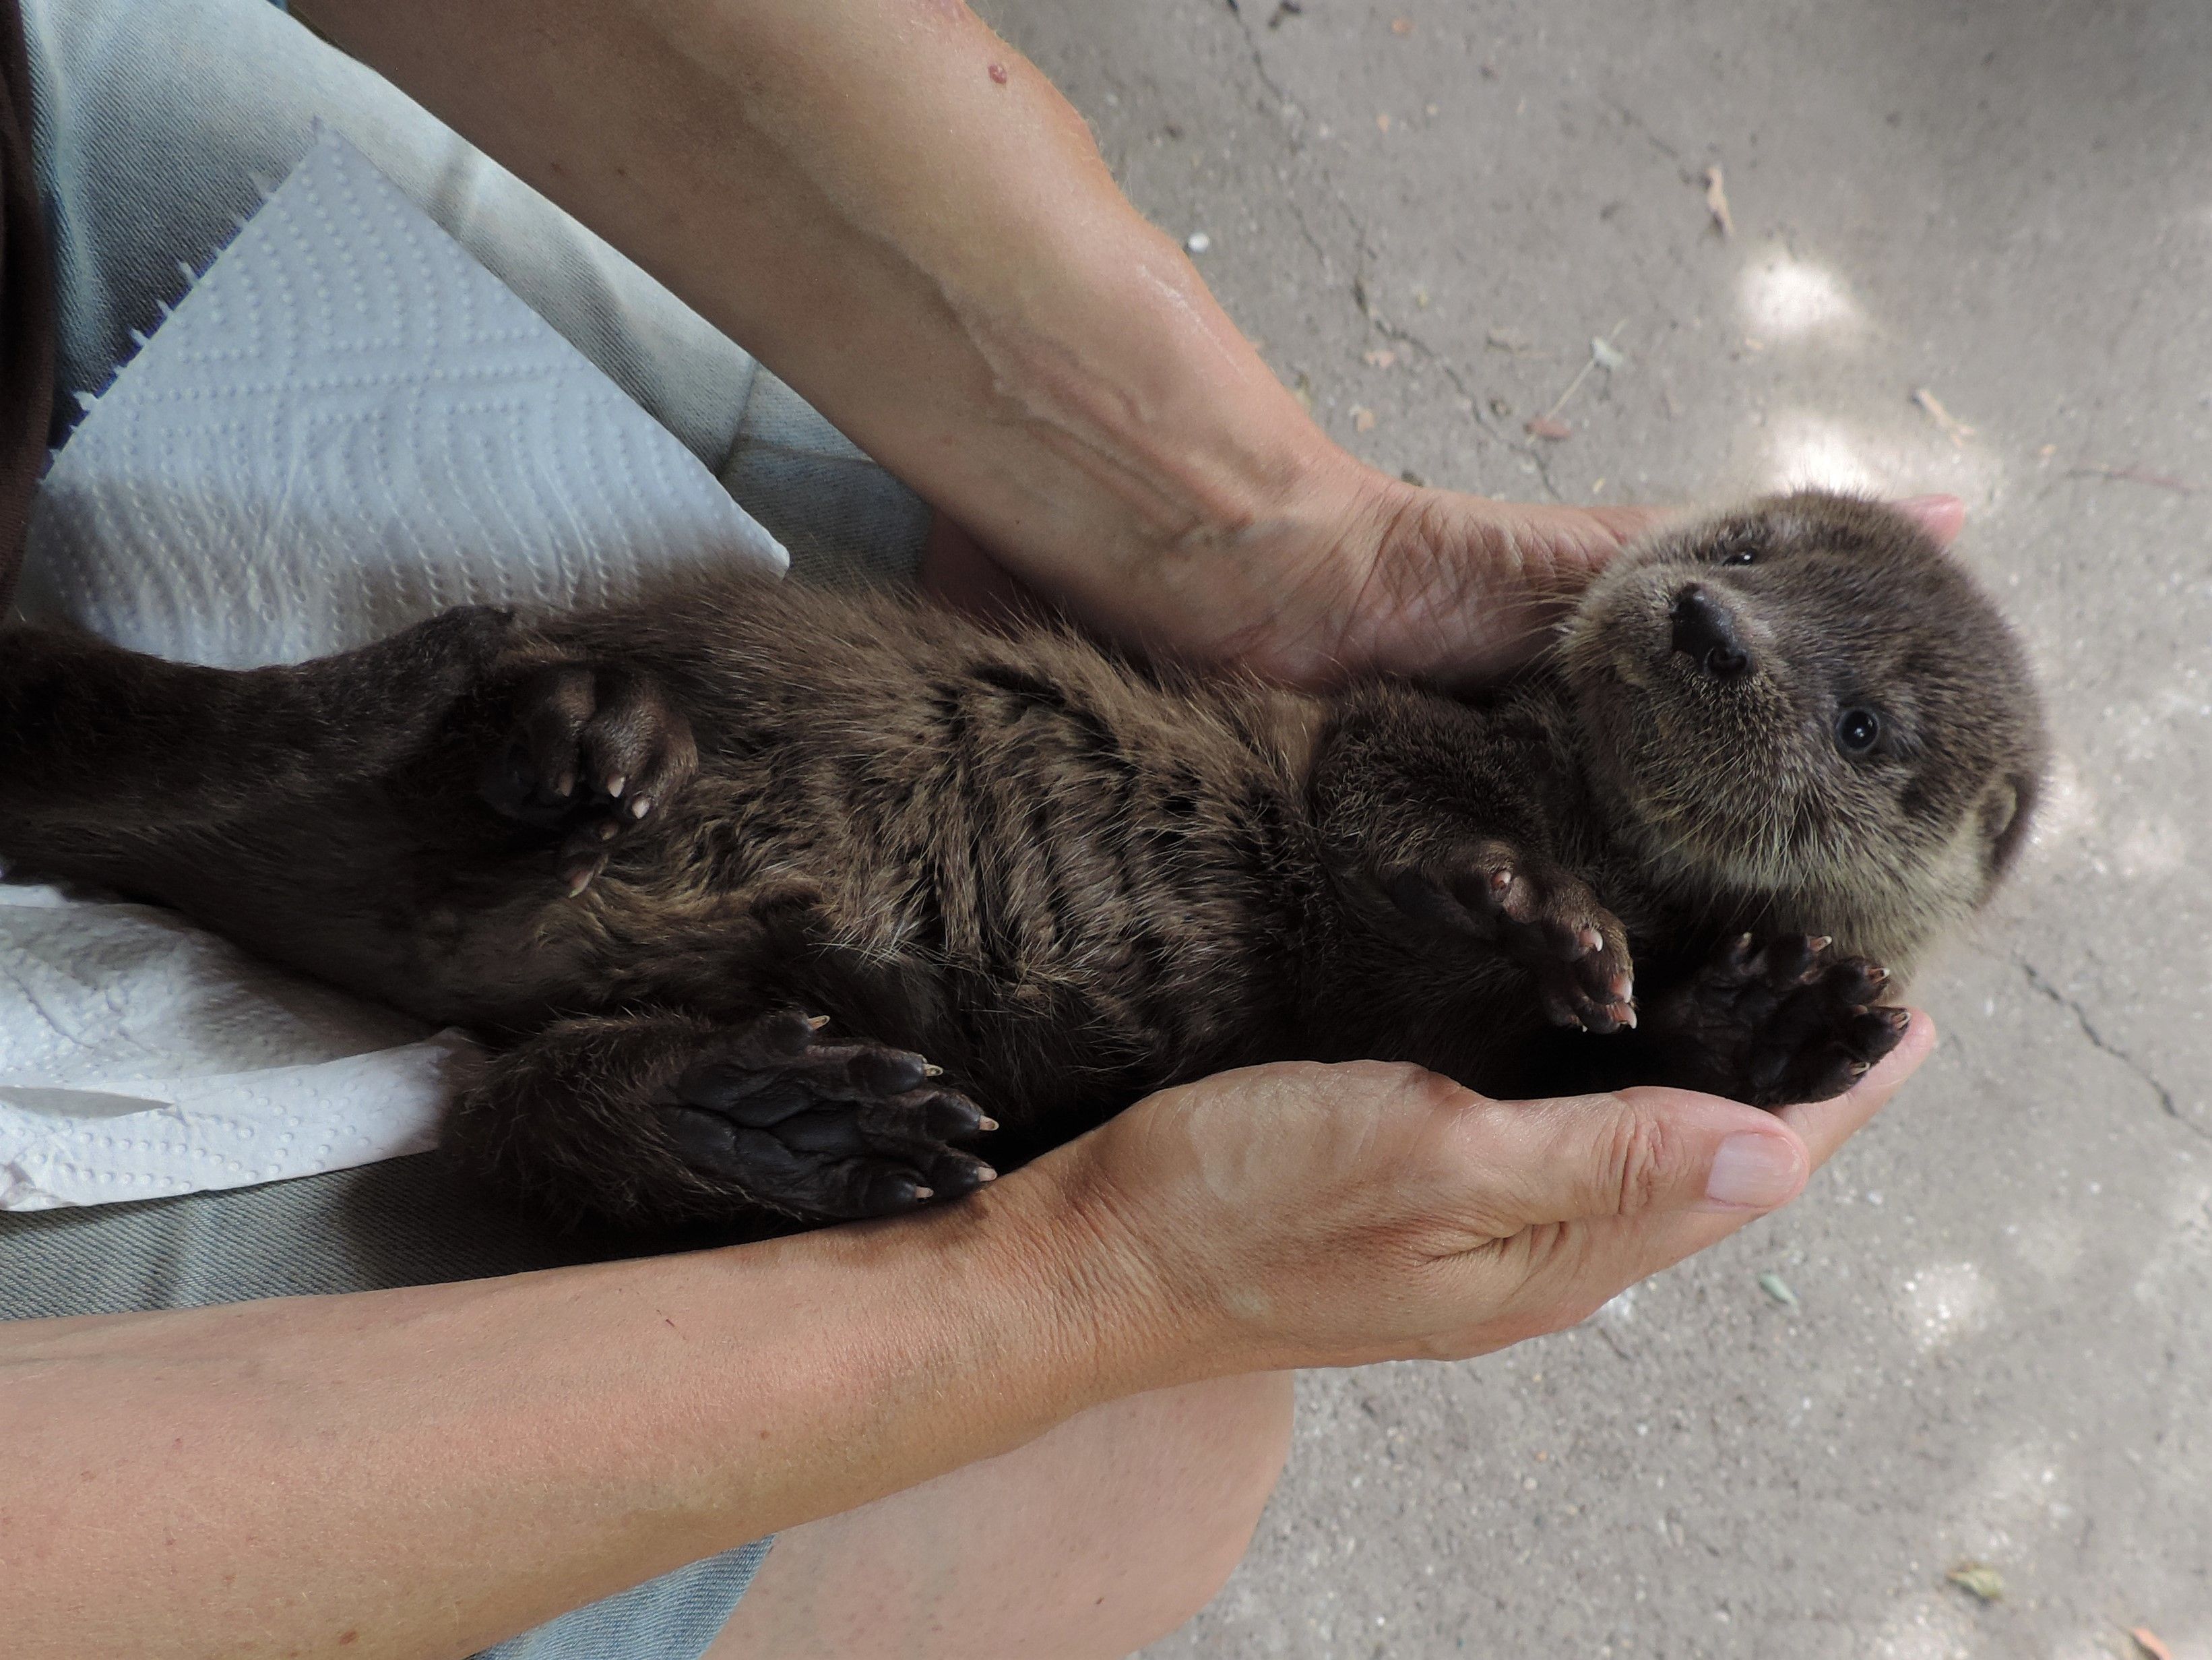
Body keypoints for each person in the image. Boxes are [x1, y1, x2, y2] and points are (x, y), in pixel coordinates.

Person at [0, 0, 1945, 1655]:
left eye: (1854, 721)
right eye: (1749, 551)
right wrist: (1072, 1293)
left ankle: (622, 1064)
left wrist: (1257, 526)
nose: (1718, 610)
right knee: (1135, 1448)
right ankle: (545, 960)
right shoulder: (1454, 753)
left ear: (1948, 839)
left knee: (630, 1054)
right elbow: (1357, 799)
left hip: (703, 917)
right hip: (777, 790)